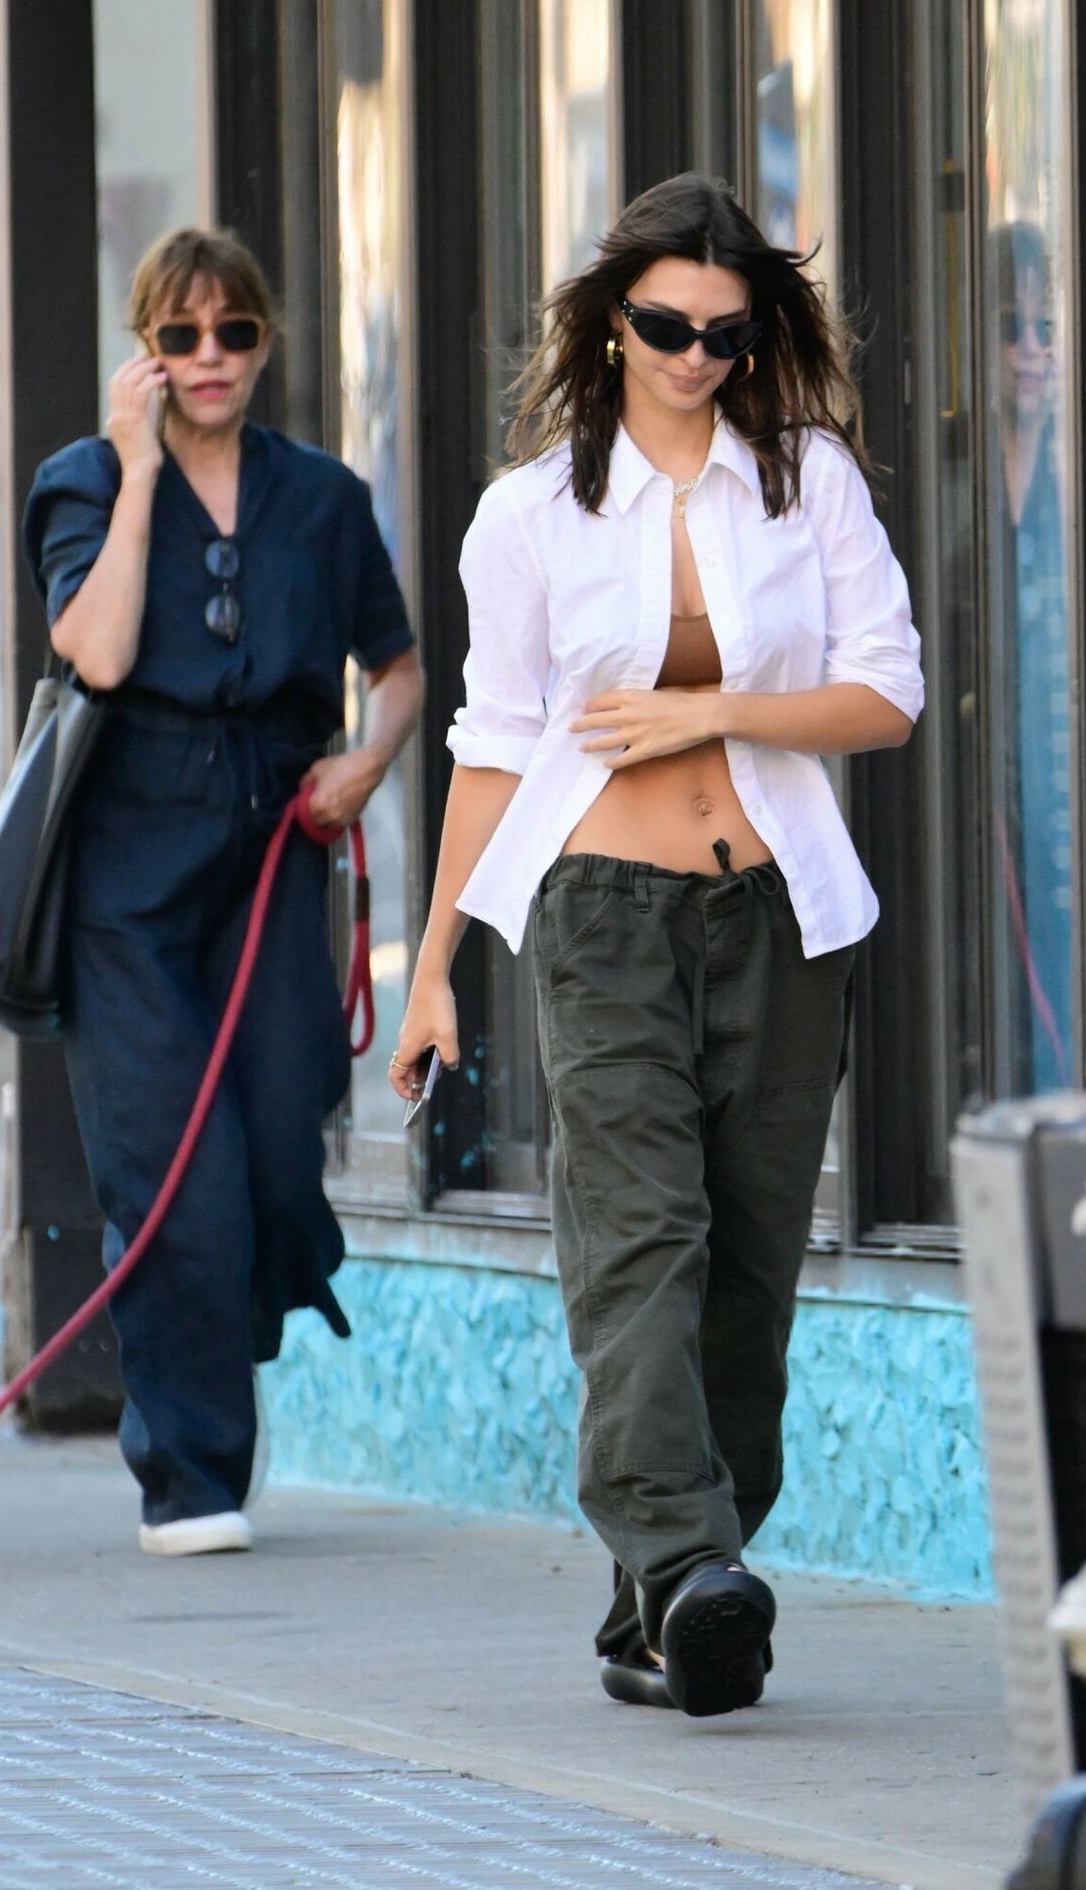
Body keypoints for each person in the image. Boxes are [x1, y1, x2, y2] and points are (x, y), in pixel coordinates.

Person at [390, 173, 922, 1716]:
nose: (694, 356)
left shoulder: (806, 483)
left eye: (724, 332)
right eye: (665, 326)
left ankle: (673, 1599)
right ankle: (689, 1566)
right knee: (638, 1242)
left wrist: (712, 711)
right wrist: (431, 969)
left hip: (782, 915)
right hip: (600, 913)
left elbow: (885, 693)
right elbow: (490, 746)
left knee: (749, 1269)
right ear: (609, 320)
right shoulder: (528, 514)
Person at [22, 227, 422, 1554]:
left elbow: (400, 670)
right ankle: (189, 1475)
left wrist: (368, 761)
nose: (209, 358)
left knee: (275, 1161)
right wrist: (139, 469)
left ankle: (222, 1324)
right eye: (180, 336)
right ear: (144, 348)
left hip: (274, 850)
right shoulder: (81, 482)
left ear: (264, 344)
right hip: (126, 869)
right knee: (170, 1176)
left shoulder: (324, 498)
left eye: (233, 333)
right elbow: (97, 649)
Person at [990, 220, 1074, 1091]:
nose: (1029, 352)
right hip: (989, 798)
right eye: (1008, 330)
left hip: (1065, 789)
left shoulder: (1078, 479)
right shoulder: (953, 484)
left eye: (1044, 328)